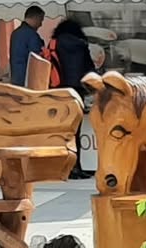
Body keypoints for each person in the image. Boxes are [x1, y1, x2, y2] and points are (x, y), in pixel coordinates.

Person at [50, 19, 96, 179]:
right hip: (78, 91)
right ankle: (78, 166)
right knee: (76, 130)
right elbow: (90, 68)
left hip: (60, 91)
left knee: (63, 131)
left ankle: (66, 167)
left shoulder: (55, 43)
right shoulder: (81, 45)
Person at [9, 5, 45, 87]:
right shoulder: (32, 35)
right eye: (41, 20)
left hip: (16, 78)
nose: (41, 24)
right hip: (29, 79)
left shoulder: (15, 33)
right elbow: (37, 58)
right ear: (36, 17)